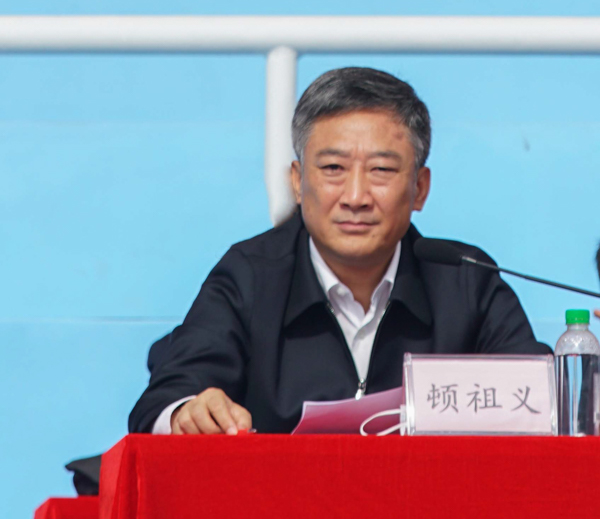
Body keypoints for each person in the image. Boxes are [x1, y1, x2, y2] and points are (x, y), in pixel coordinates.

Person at [129, 67, 549, 436]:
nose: (355, 197)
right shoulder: (251, 276)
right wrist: (188, 413)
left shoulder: (465, 279)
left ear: (419, 188)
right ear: (298, 182)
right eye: (333, 169)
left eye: (381, 170)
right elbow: (165, 402)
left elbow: (542, 403)